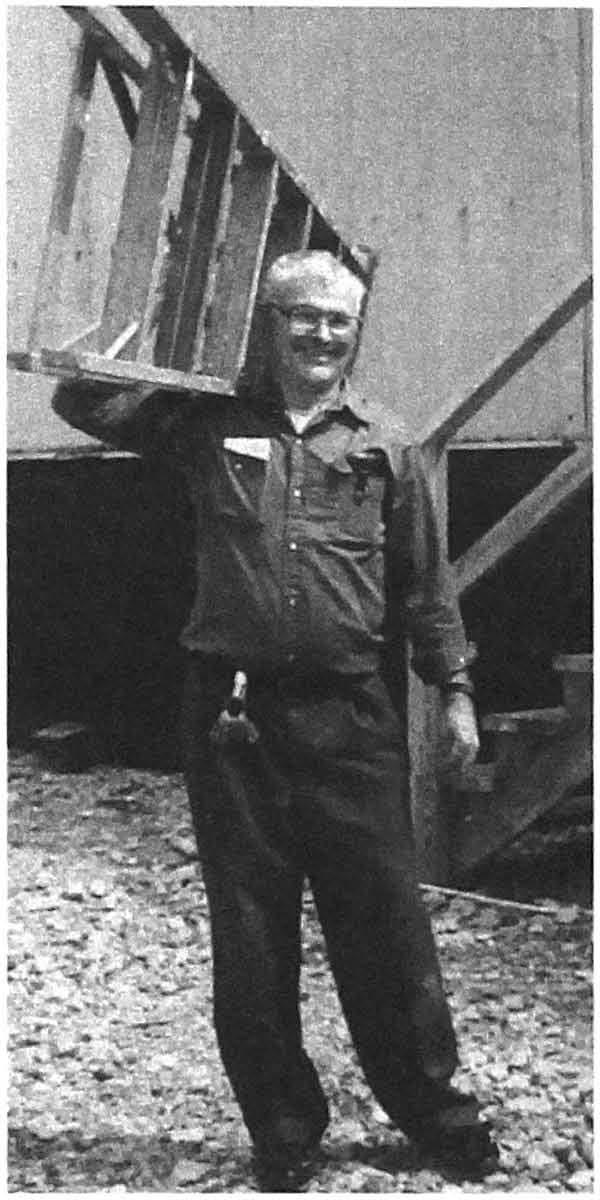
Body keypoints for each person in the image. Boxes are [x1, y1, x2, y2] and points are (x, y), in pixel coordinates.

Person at [52, 250, 499, 1184]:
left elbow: (424, 585)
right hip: (233, 718)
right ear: (269, 324)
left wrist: (455, 691)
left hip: (353, 718)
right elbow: (83, 403)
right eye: (303, 316)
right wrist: (151, 325)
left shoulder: (387, 444)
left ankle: (435, 1113)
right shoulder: (206, 423)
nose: (322, 335)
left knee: (384, 920)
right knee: (251, 930)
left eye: (340, 321)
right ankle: (284, 1131)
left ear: (357, 333)